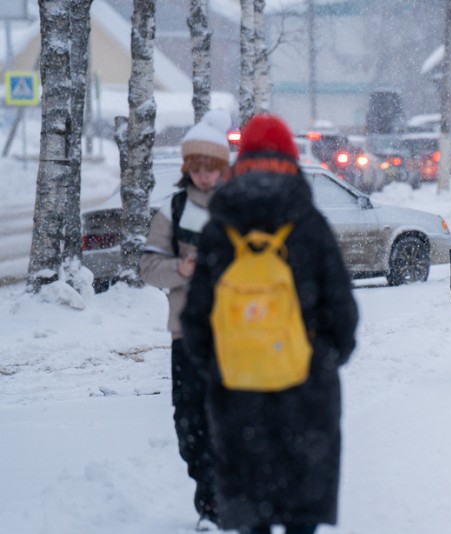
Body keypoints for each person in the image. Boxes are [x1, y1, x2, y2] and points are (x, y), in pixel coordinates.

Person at [181, 114, 359, 534]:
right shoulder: (309, 224)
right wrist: (324, 357)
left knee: (251, 510)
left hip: (238, 394)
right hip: (306, 389)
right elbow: (342, 310)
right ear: (292, 158)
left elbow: (195, 319)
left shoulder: (218, 229)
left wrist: (222, 365)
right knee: (301, 511)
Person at [139, 108, 231, 525]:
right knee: (190, 420)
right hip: (187, 335)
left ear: (222, 168)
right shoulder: (172, 211)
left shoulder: (238, 206)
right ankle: (206, 489)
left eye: (211, 167)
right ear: (187, 167)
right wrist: (181, 270)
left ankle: (222, 498)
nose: (204, 176)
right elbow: (147, 266)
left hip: (235, 334)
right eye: (197, 167)